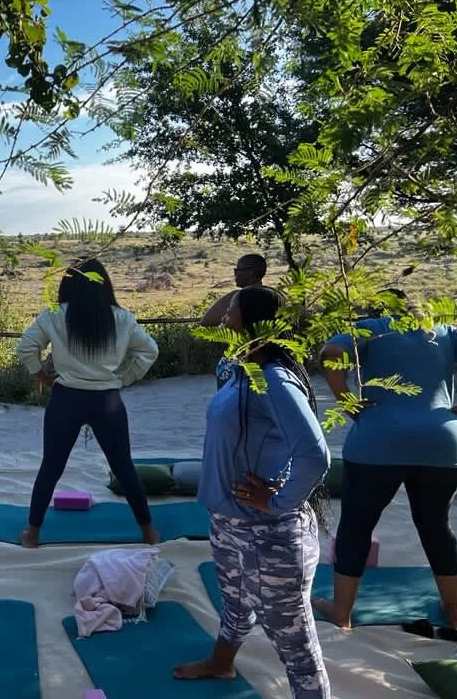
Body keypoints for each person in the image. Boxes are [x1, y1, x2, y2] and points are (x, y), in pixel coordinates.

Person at [313, 296, 457, 632]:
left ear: (380, 309)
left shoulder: (370, 329)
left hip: (379, 441)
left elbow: (330, 353)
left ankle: (342, 613)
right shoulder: (443, 332)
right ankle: (454, 613)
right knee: (435, 526)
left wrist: (346, 400)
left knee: (357, 525)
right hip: (444, 443)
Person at [175, 286, 331, 699]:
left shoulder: (276, 380)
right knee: (236, 604)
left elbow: (314, 455)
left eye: (232, 313)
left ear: (254, 325)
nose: (224, 320)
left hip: (270, 534)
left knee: (295, 645)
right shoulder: (240, 368)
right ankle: (221, 664)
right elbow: (209, 327)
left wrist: (277, 501)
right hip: (228, 521)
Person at [15, 258, 160, 548]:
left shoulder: (55, 315)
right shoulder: (122, 318)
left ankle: (32, 535)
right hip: (107, 401)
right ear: (105, 284)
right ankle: (147, 533)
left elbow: (26, 347)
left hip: (66, 399)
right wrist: (124, 378)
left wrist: (41, 374)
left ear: (67, 284)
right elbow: (149, 351)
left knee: (51, 468)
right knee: (123, 467)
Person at [200, 254, 268, 388]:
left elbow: (206, 321)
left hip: (242, 360)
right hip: (271, 359)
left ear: (250, 272)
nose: (235, 275)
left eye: (237, 271)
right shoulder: (275, 295)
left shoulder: (238, 297)